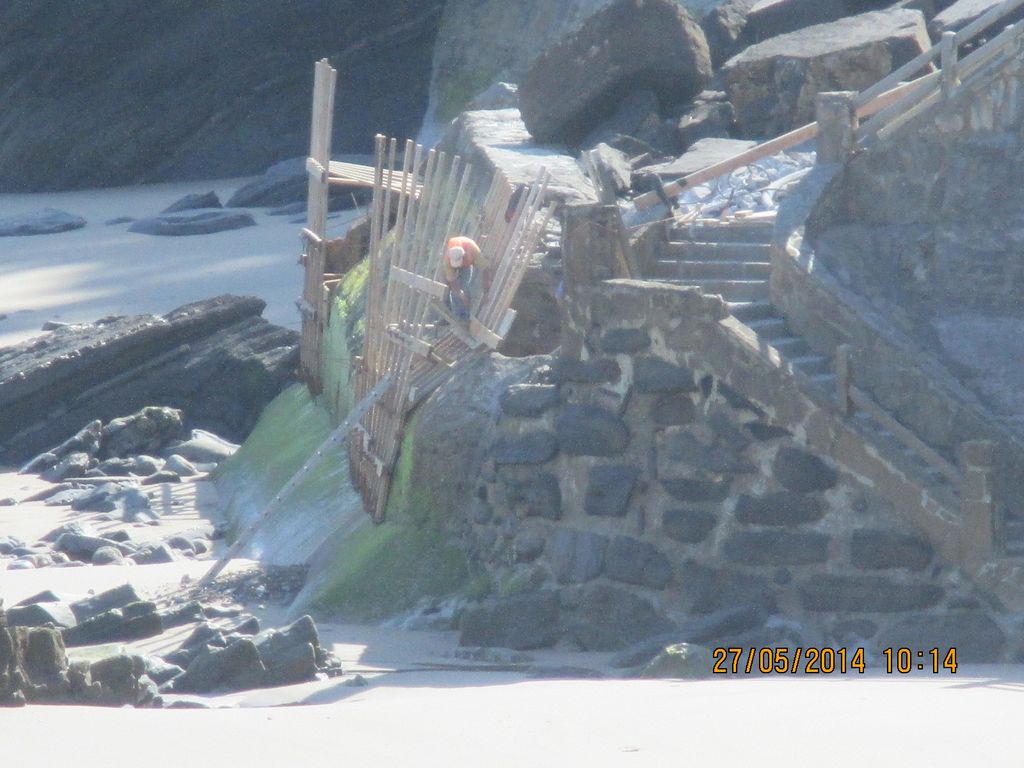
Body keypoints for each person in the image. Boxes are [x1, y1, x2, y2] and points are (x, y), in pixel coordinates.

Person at [443, 235, 491, 321]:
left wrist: (486, 292)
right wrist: (461, 296)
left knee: (464, 286)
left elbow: (486, 270)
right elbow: (453, 284)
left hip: (467, 263)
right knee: (452, 293)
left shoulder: (472, 249)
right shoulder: (448, 260)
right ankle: (455, 315)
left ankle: (465, 315)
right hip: (452, 264)